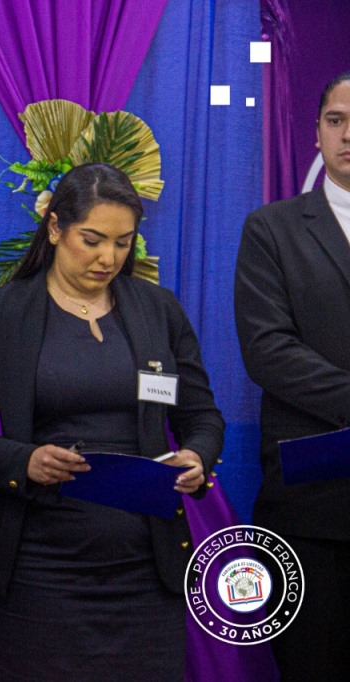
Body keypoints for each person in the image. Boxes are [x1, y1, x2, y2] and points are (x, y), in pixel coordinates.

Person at [0, 163, 224, 681]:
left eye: (123, 243)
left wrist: (197, 455)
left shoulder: (159, 310)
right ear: (54, 228)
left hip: (145, 572)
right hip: (36, 572)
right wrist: (23, 459)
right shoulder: (3, 314)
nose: (108, 258)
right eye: (92, 240)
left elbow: (202, 415)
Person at [234, 71, 350, 681]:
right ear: (316, 134)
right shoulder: (272, 230)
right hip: (312, 506)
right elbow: (267, 350)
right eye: (337, 121)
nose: (349, 135)